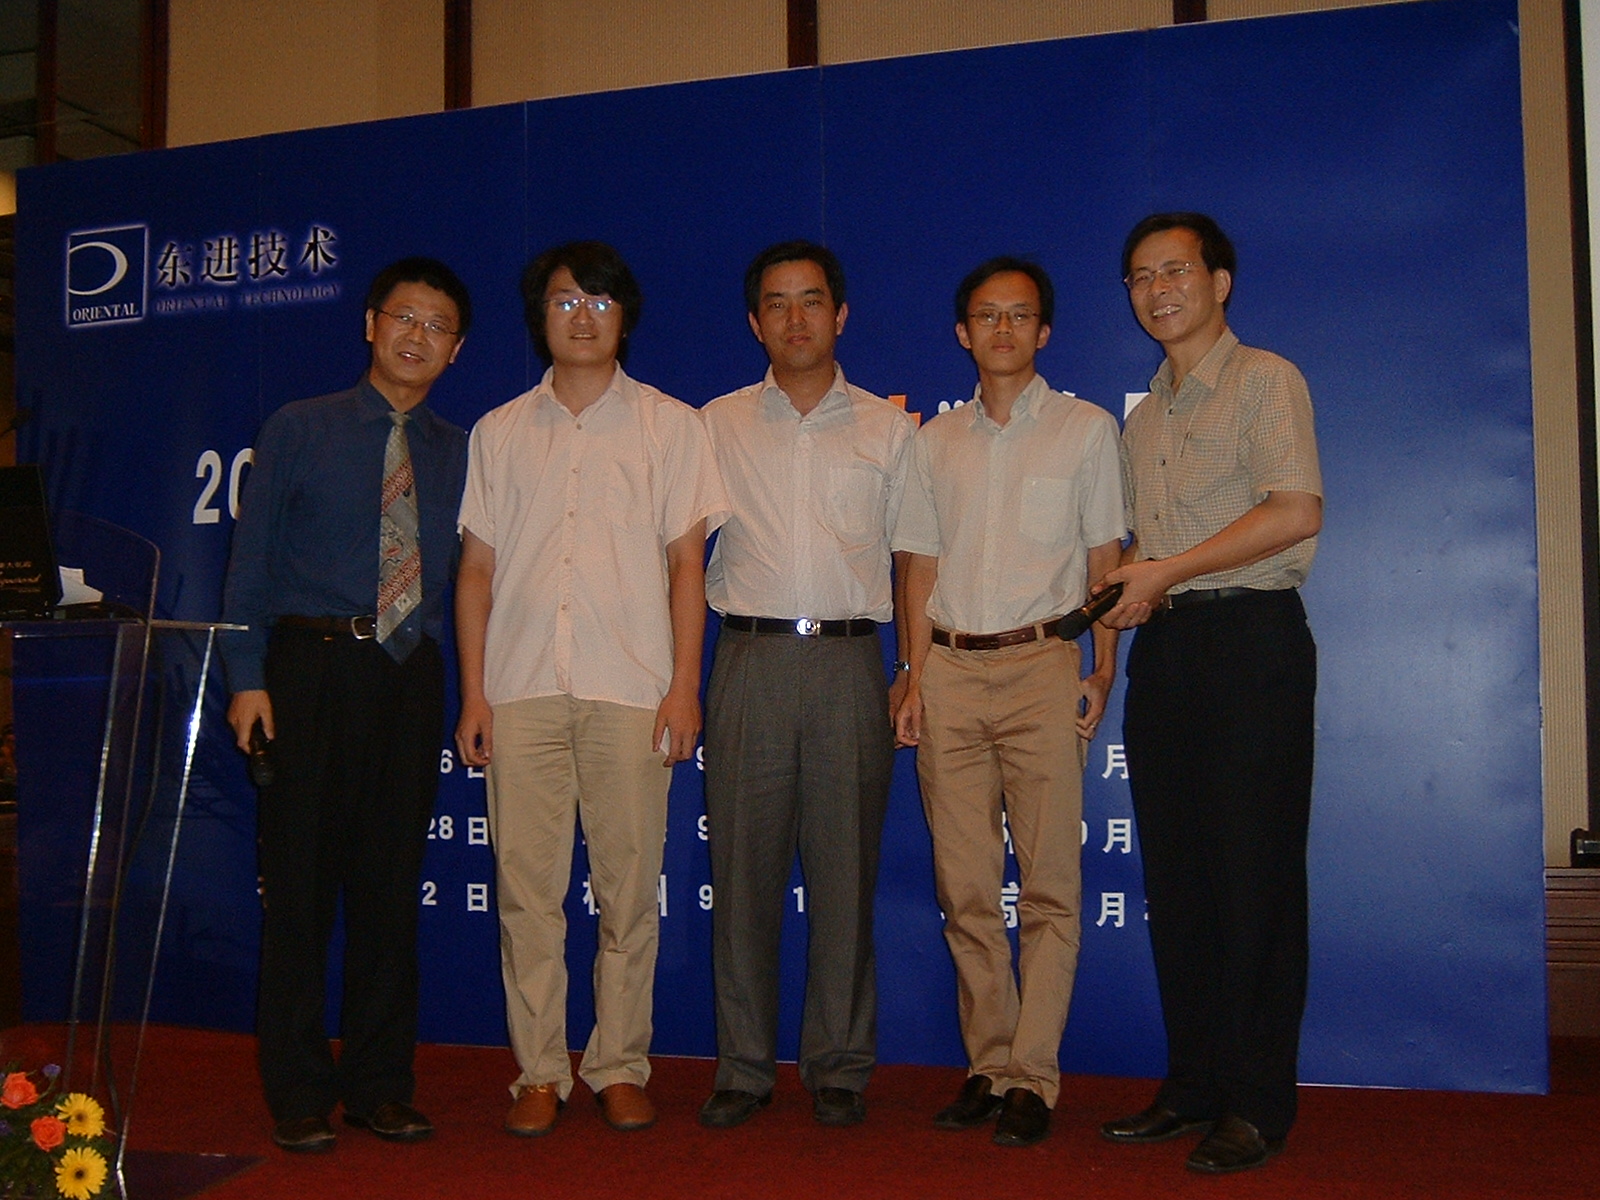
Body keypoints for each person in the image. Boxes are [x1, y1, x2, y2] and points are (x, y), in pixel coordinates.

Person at [454, 241, 727, 1138]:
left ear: (625, 317)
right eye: (565, 300)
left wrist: (683, 688)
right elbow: (476, 572)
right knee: (527, 895)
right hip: (521, 686)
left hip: (631, 689)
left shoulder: (670, 425)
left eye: (600, 301)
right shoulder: (499, 431)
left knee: (627, 893)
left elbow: (687, 566)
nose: (582, 315)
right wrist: (475, 695)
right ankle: (539, 1071)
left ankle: (617, 1065)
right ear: (540, 316)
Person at [221, 256, 473, 1153]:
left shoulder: (461, 451)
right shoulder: (299, 427)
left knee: (389, 893)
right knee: (297, 892)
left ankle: (378, 1087)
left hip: (409, 675)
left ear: (455, 349)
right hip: (308, 668)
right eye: (403, 316)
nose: (417, 336)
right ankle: (296, 1090)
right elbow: (249, 565)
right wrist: (246, 677)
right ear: (371, 324)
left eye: (437, 326)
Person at [1097, 212, 1322, 1174]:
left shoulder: (1266, 379)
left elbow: (1295, 510)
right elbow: (1139, 553)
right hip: (1170, 652)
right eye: (1140, 276)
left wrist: (1167, 570)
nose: (1158, 290)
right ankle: (1193, 1084)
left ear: (1219, 282)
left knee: (1252, 879)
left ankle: (1258, 1103)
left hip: (1249, 644)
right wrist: (1130, 593)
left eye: (1176, 270)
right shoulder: (1142, 418)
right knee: (1179, 884)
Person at [893, 257, 1124, 1148]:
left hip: (1043, 666)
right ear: (963, 333)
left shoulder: (1086, 431)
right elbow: (918, 565)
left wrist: (1102, 672)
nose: (1003, 329)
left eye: (1020, 315)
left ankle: (1035, 1076)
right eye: (986, 316)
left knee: (1050, 888)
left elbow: (1105, 561)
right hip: (949, 670)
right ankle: (988, 1065)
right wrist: (912, 674)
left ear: (1044, 331)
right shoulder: (934, 444)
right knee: (965, 889)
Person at [697, 241, 913, 1130]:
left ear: (841, 314)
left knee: (844, 874)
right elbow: (675, 556)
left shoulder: (890, 431)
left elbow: (915, 562)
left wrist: (911, 669)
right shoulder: (714, 424)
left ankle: (839, 1065)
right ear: (755, 323)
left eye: (812, 301)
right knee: (741, 876)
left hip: (849, 662)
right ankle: (743, 1067)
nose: (796, 319)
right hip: (747, 659)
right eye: (777, 304)